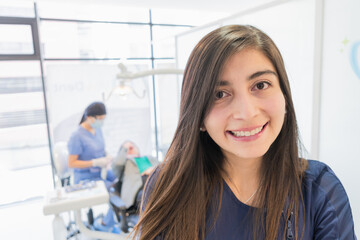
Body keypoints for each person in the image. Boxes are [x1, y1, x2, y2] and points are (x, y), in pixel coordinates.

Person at [132, 25, 357, 239]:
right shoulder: (170, 186)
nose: (247, 113)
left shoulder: (318, 190)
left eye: (260, 85)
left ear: (285, 97)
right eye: (219, 94)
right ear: (198, 117)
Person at [67, 101, 118, 233]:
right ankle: (105, 224)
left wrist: (106, 156)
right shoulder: (76, 136)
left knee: (122, 182)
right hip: (85, 177)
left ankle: (112, 219)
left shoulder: (97, 129)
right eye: (100, 119)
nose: (102, 122)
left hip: (101, 172)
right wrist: (94, 162)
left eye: (103, 119)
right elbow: (71, 163)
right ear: (90, 117)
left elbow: (99, 149)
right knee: (115, 191)